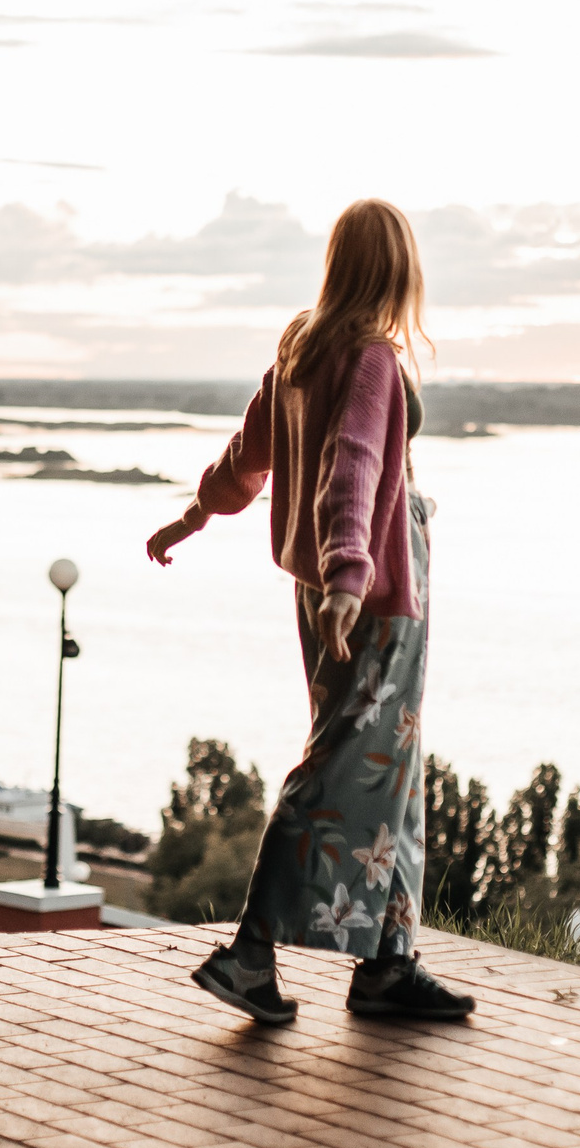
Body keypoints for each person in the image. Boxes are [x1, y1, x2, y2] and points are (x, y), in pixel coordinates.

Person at [146, 198, 475, 1027]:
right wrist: (349, 575)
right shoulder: (369, 357)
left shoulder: (302, 345)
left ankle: (388, 964)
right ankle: (250, 951)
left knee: (388, 771)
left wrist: (197, 512)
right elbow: (353, 466)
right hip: (373, 592)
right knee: (341, 766)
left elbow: (248, 453)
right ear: (397, 270)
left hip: (331, 589)